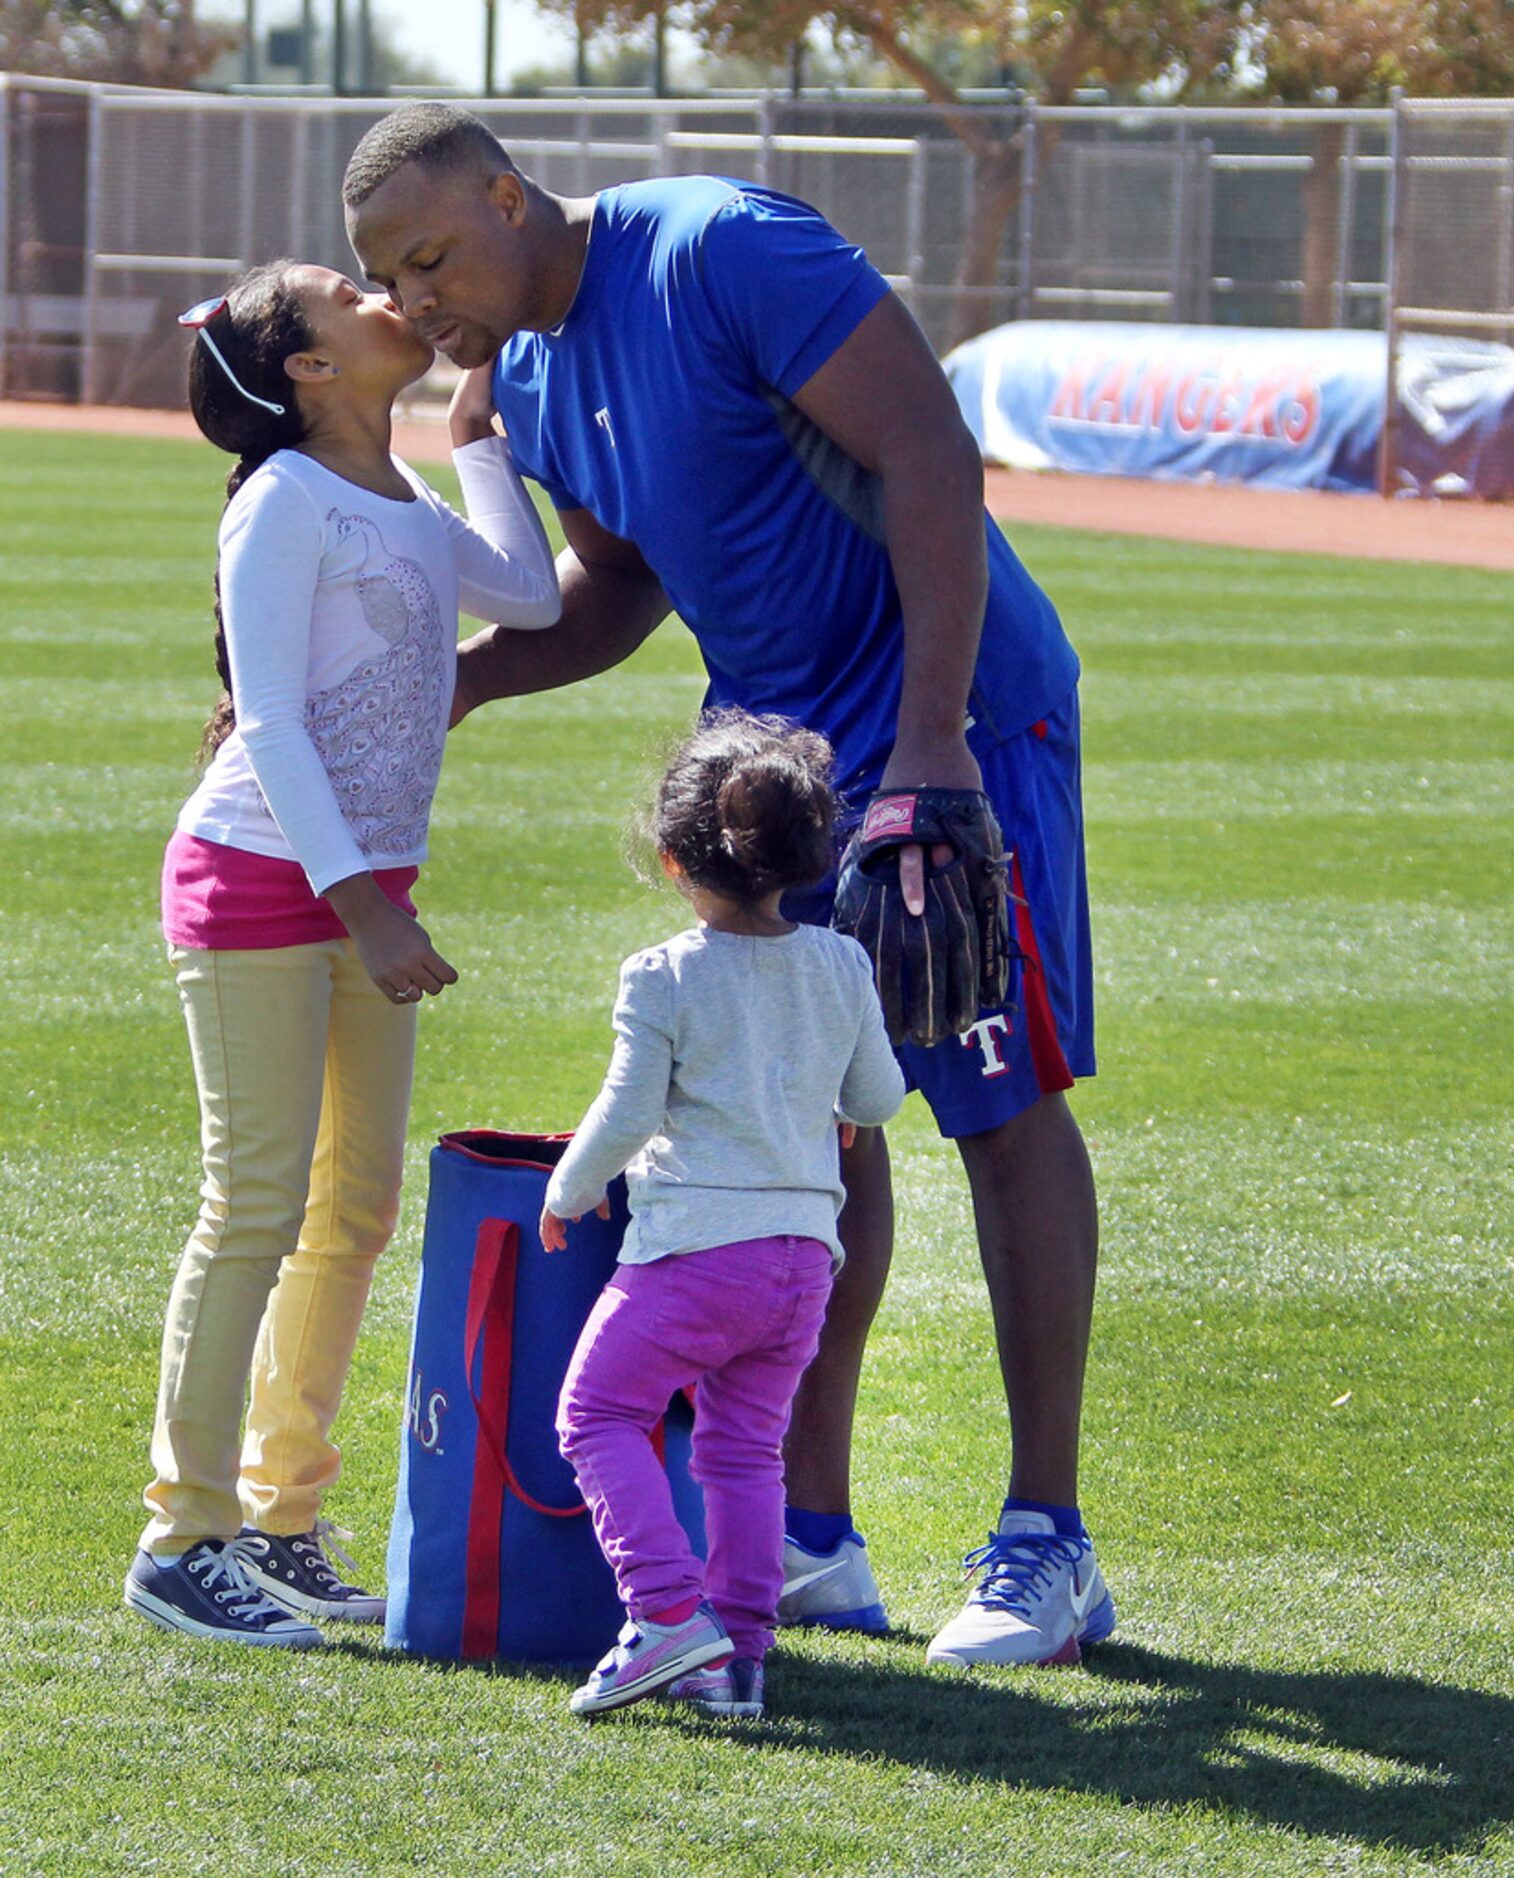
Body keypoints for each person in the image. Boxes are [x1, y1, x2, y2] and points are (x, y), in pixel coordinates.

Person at [344, 103, 1114, 1668]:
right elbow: (620, 590)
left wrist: (930, 742)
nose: (421, 305)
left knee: (996, 1098)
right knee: (805, 1121)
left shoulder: (719, 248)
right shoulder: (537, 384)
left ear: (508, 195)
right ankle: (815, 1532)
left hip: (949, 721)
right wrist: (468, 681)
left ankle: (1050, 1538)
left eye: (433, 255)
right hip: (779, 757)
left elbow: (929, 454)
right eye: (392, 282)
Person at [123, 260, 561, 1647]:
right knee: (252, 1203)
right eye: (340, 289)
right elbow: (270, 722)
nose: (382, 290)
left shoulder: (406, 502)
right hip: (260, 881)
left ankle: (281, 1517)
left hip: (357, 894)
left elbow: (534, 595)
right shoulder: (283, 501)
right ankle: (179, 1537)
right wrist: (366, 902)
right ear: (308, 368)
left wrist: (477, 439)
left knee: (352, 1209)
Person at [544, 709, 905, 1720]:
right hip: (800, 1267)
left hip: (692, 1258)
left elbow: (625, 1111)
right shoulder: (840, 963)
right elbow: (876, 1099)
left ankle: (663, 1612)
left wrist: (566, 1190)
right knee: (744, 1450)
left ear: (672, 859)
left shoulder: (663, 974)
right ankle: (737, 1660)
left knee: (598, 1413)